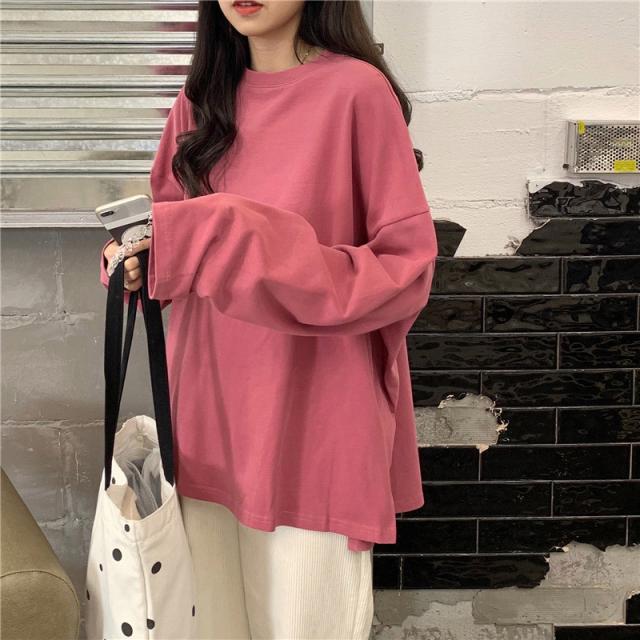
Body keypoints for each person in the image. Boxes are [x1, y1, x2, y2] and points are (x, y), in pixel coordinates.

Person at [99, 1, 438, 638]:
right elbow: (165, 239)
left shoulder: (356, 92)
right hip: (206, 424)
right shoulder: (199, 101)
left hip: (316, 428)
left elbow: (405, 270)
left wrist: (243, 238)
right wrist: (133, 263)